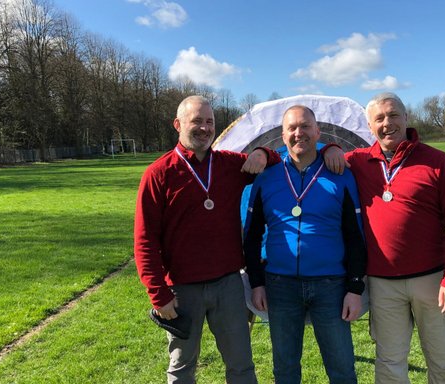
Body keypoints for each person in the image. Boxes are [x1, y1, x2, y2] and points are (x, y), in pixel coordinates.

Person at [324, 92, 445, 383]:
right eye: (379, 118)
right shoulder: (357, 161)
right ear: (369, 126)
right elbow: (312, 156)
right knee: (389, 363)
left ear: (406, 118)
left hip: (432, 282)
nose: (387, 123)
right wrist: (330, 146)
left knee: (442, 363)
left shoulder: (438, 162)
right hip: (382, 285)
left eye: (393, 115)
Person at [134, 95, 281, 384]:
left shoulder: (229, 165)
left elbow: (276, 160)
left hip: (228, 284)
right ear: (178, 124)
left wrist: (263, 153)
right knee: (182, 368)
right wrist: (158, 294)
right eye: (196, 121)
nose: (204, 128)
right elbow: (144, 240)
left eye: (209, 122)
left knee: (241, 365)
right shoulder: (158, 174)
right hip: (181, 290)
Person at [243, 105, 367, 384]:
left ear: (318, 131)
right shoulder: (266, 176)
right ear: (283, 134)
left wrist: (355, 288)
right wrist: (257, 282)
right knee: (285, 370)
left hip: (331, 286)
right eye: (292, 128)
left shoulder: (340, 173)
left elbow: (354, 235)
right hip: (280, 285)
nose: (299, 133)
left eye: (306, 126)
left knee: (342, 368)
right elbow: (251, 236)